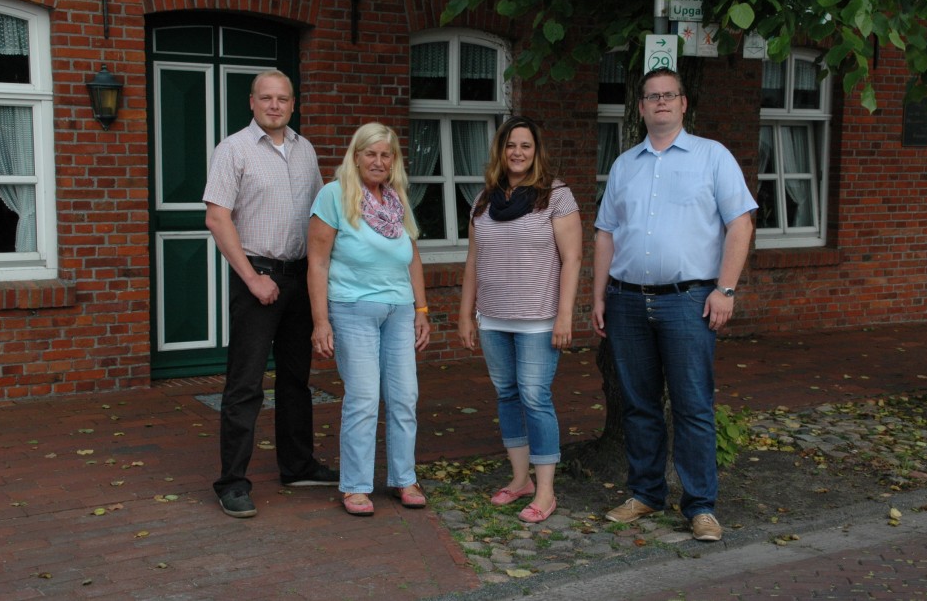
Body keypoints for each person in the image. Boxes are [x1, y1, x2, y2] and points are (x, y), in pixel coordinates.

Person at [592, 68, 757, 541]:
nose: (660, 103)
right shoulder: (625, 165)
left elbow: (740, 224)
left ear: (683, 104)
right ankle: (645, 494)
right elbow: (605, 233)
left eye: (669, 95)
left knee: (692, 406)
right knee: (640, 406)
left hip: (689, 302)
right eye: (651, 97)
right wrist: (598, 295)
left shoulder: (712, 157)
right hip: (626, 301)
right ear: (640, 107)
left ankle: (700, 505)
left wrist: (725, 290)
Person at [203, 69, 338, 519]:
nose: (274, 105)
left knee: (296, 380)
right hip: (257, 275)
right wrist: (251, 278)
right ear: (252, 102)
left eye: (282, 98)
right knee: (244, 384)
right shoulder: (233, 149)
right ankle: (232, 482)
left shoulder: (306, 151)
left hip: (300, 278)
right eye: (266, 98)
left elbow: (321, 218)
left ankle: (297, 465)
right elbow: (218, 219)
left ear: (292, 103)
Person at [458, 116, 582, 524]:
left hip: (539, 319)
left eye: (525, 146)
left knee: (535, 397)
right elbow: (474, 260)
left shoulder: (556, 196)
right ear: (501, 150)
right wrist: (466, 315)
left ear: (536, 151)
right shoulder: (484, 199)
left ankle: (546, 492)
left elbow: (573, 259)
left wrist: (565, 315)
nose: (517, 153)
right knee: (508, 395)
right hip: (493, 317)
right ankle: (520, 480)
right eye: (511, 145)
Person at [307, 122, 431, 517]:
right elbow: (317, 262)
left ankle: (403, 478)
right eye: (370, 153)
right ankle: (356, 485)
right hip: (352, 309)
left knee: (404, 397)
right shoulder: (334, 195)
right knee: (363, 398)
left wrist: (421, 311)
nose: (378, 161)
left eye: (386, 154)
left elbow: (412, 259)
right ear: (356, 156)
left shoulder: (397, 200)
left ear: (393, 160)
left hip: (399, 311)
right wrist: (321, 321)